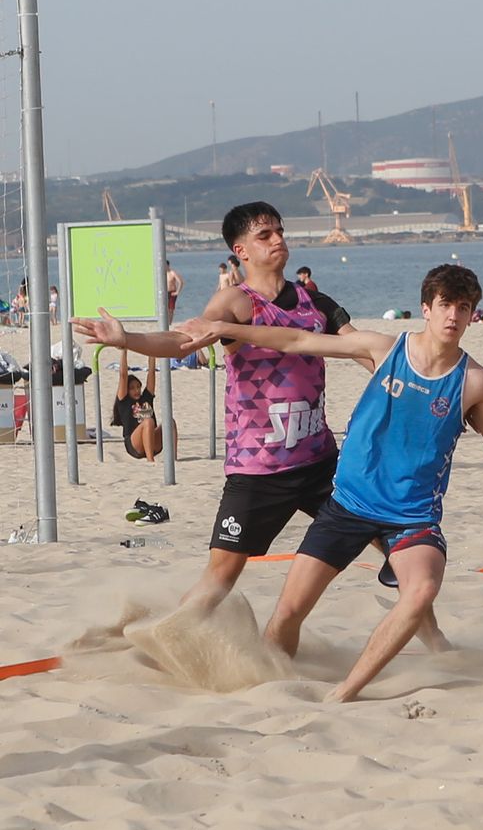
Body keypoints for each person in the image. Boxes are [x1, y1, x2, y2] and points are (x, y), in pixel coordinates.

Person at [176, 264, 483, 703]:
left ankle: (346, 691)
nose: (453, 316)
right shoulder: (385, 349)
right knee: (288, 612)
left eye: (463, 308)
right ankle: (266, 685)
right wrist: (222, 327)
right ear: (426, 309)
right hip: (347, 505)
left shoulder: (475, 381)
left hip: (412, 517)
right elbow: (298, 340)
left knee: (420, 591)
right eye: (445, 305)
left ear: (470, 315)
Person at [73, 201, 357, 631]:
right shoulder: (235, 302)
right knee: (221, 577)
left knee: (389, 539)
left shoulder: (315, 302)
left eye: (280, 230)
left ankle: (433, 639)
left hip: (321, 462)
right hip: (259, 471)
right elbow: (182, 340)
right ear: (241, 251)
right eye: (265, 235)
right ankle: (156, 637)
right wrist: (126, 338)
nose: (278, 239)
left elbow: (363, 347)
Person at [112, 347, 171, 462]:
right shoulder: (124, 401)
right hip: (134, 444)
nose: (137, 390)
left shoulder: (146, 398)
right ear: (127, 391)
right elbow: (123, 375)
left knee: (170, 422)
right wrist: (124, 351)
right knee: (148, 421)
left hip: (152, 440)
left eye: (138, 387)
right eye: (132, 388)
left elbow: (152, 373)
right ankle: (150, 460)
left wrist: (151, 351)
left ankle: (174, 460)